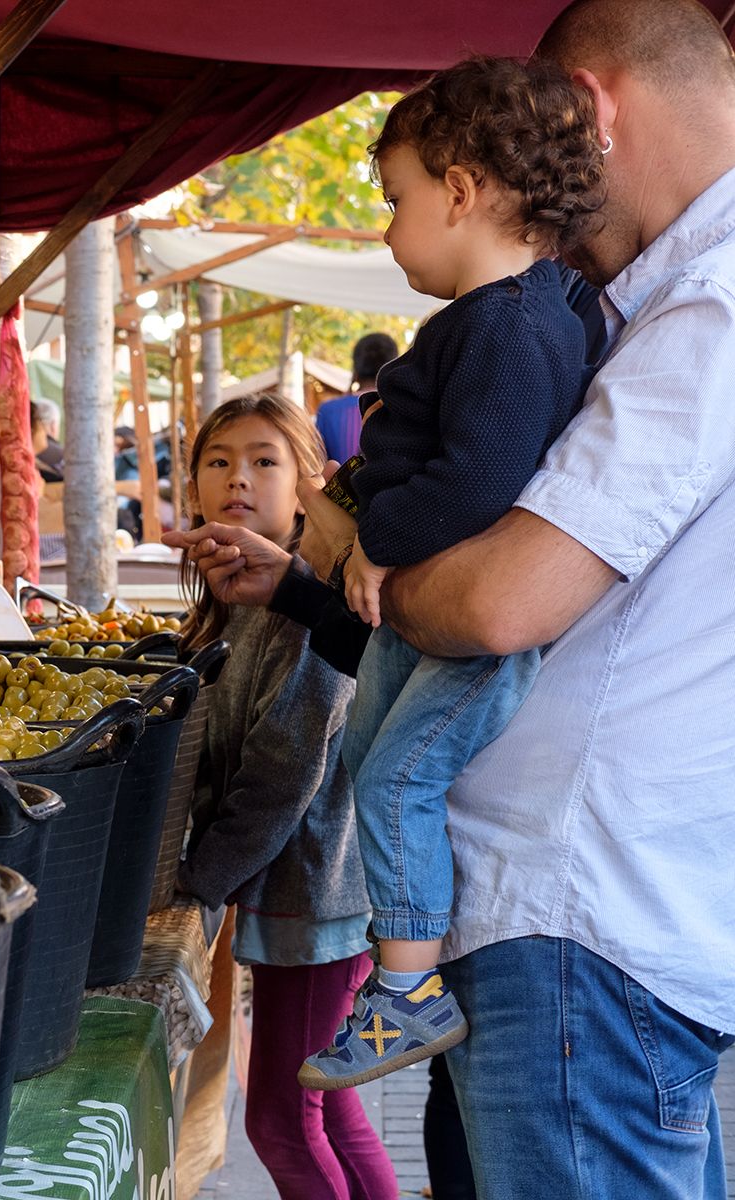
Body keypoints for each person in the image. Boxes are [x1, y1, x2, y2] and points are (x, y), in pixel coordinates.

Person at [173, 2, 735, 1193]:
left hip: (585, 929)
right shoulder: (625, 297)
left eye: (397, 199)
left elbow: (497, 605)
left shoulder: (710, 304)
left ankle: (402, 980)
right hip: (550, 920)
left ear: (585, 111)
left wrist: (350, 529)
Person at [296, 56, 604, 1091]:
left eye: (395, 200)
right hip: (418, 620)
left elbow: (478, 479)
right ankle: (411, 959)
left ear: (461, 191)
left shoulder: (515, 324)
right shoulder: (508, 316)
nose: (387, 227)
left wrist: (377, 539)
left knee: (393, 781)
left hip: (469, 634)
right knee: (369, 767)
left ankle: (408, 992)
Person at [174, 394, 397, 1200]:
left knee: (280, 1118)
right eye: (220, 460)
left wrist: (198, 882)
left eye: (265, 461)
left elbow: (280, 776)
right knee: (330, 1112)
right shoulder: (237, 598)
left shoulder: (304, 604)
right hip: (312, 893)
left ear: (308, 481)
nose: (239, 479)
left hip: (319, 897)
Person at [313, 332, 398, 464]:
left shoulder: (328, 411)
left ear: (356, 368)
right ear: (395, 366)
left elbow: (317, 464)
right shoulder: (402, 409)